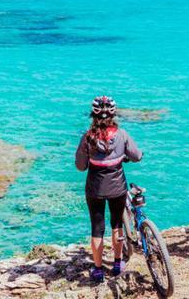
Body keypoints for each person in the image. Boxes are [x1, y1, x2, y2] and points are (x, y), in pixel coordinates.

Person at [75, 96, 142, 283]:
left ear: (93, 116)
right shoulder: (122, 135)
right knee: (116, 225)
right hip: (117, 188)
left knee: (97, 229)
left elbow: (80, 166)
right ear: (113, 114)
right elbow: (136, 156)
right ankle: (117, 263)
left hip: (95, 189)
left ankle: (97, 270)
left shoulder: (87, 137)